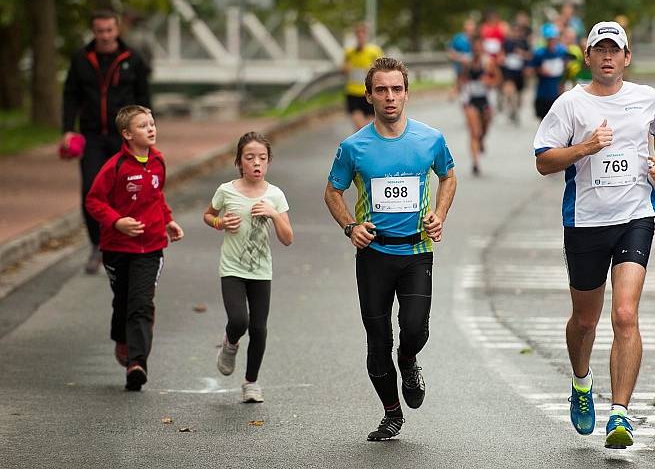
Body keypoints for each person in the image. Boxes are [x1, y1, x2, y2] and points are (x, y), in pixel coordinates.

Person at [533, 20, 655, 449]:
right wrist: (585, 148)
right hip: (586, 223)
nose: (609, 56)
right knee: (585, 321)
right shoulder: (570, 105)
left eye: (616, 50)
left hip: (636, 216)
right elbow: (543, 161)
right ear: (589, 57)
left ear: (627, 58)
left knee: (625, 314)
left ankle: (621, 413)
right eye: (601, 50)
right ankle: (581, 384)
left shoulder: (647, 98)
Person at [324, 57, 457, 442]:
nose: (389, 97)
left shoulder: (430, 139)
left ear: (406, 93)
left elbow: (448, 176)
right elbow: (333, 191)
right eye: (381, 89)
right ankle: (391, 413)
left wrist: (439, 213)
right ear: (369, 96)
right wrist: (351, 226)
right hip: (374, 255)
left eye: (396, 89)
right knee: (377, 338)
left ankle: (410, 358)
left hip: (417, 250)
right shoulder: (353, 147)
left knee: (414, 329)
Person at [86, 105, 184, 392]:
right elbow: (94, 201)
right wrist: (117, 222)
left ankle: (136, 364)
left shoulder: (159, 162)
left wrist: (168, 220)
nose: (151, 129)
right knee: (123, 301)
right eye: (143, 126)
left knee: (141, 303)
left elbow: (157, 196)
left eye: (152, 123)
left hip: (151, 246)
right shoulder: (114, 167)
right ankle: (122, 339)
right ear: (127, 134)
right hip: (117, 247)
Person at [203, 132, 293, 403]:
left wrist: (274, 214)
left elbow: (287, 238)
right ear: (239, 161)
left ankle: (251, 383)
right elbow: (208, 215)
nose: (256, 163)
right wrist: (219, 224)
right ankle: (230, 343)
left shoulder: (275, 195)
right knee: (239, 321)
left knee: (259, 328)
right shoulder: (226, 191)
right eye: (250, 157)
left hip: (261, 270)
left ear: (268, 162)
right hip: (232, 268)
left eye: (262, 158)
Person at [60, 9, 151, 274]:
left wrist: (145, 133)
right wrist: (67, 129)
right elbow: (70, 95)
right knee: (91, 191)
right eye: (100, 31)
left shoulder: (132, 58)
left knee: (128, 190)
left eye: (109, 30)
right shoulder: (81, 59)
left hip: (124, 136)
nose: (105, 36)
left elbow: (144, 99)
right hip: (91, 136)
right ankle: (96, 245)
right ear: (94, 31)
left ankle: (126, 244)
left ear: (117, 29)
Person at [460, 37, 501, 175]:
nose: (477, 50)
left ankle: (482, 140)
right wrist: (456, 91)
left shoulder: (488, 63)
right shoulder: (467, 63)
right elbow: (461, 79)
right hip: (470, 100)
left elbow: (498, 79)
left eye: (479, 48)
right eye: (474, 48)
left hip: (485, 100)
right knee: (474, 132)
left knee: (484, 128)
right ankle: (475, 162)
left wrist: (489, 82)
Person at [343, 22, 384, 130]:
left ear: (366, 35)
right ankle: (360, 145)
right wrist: (346, 68)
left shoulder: (374, 51)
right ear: (356, 35)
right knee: (359, 127)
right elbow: (343, 69)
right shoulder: (350, 52)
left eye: (363, 33)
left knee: (368, 128)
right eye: (358, 33)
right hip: (353, 92)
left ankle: (365, 145)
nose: (361, 35)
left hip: (369, 93)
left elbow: (382, 69)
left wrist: (372, 69)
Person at [528, 23, 572, 120]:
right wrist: (539, 70)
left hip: (557, 92)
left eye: (554, 39)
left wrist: (565, 66)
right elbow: (529, 70)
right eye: (549, 40)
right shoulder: (539, 54)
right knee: (543, 120)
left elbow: (569, 66)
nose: (552, 42)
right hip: (543, 92)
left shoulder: (562, 51)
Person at [499, 22, 530, 122]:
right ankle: (511, 109)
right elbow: (501, 54)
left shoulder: (524, 42)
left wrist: (522, 53)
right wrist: (502, 58)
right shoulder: (507, 42)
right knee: (509, 91)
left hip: (520, 71)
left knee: (519, 94)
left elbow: (530, 56)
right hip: (509, 70)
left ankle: (516, 110)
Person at [447, 17, 476, 99]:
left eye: (472, 26)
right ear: (465, 27)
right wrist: (460, 58)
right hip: (460, 65)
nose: (471, 28)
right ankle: (454, 92)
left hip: (472, 65)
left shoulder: (475, 39)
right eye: (469, 26)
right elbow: (450, 52)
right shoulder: (458, 37)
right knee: (459, 81)